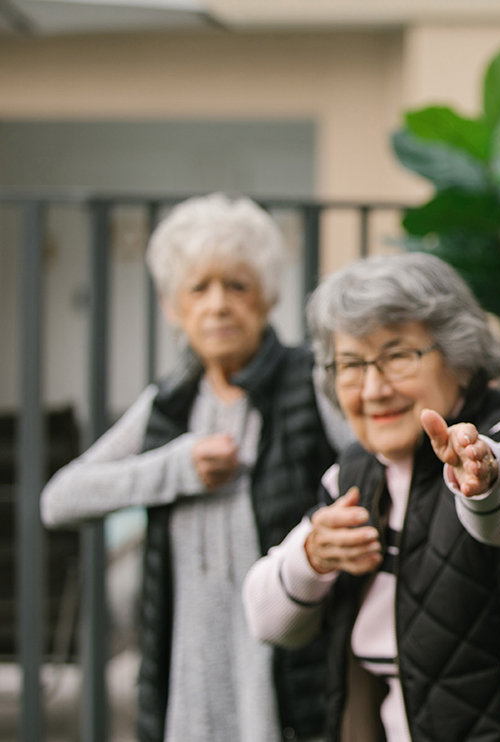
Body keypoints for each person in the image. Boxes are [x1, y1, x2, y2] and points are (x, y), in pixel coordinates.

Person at [242, 252, 500, 742]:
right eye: (352, 364)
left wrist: (484, 479)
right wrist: (311, 557)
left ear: (458, 355)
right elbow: (266, 619)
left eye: (398, 356)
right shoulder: (353, 475)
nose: (374, 388)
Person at [41, 193, 340, 742]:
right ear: (171, 308)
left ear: (268, 297)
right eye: (198, 288)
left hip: (287, 662)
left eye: (237, 286)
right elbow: (60, 499)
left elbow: (365, 473)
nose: (218, 305)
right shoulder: (170, 403)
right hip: (186, 670)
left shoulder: (309, 382)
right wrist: (176, 468)